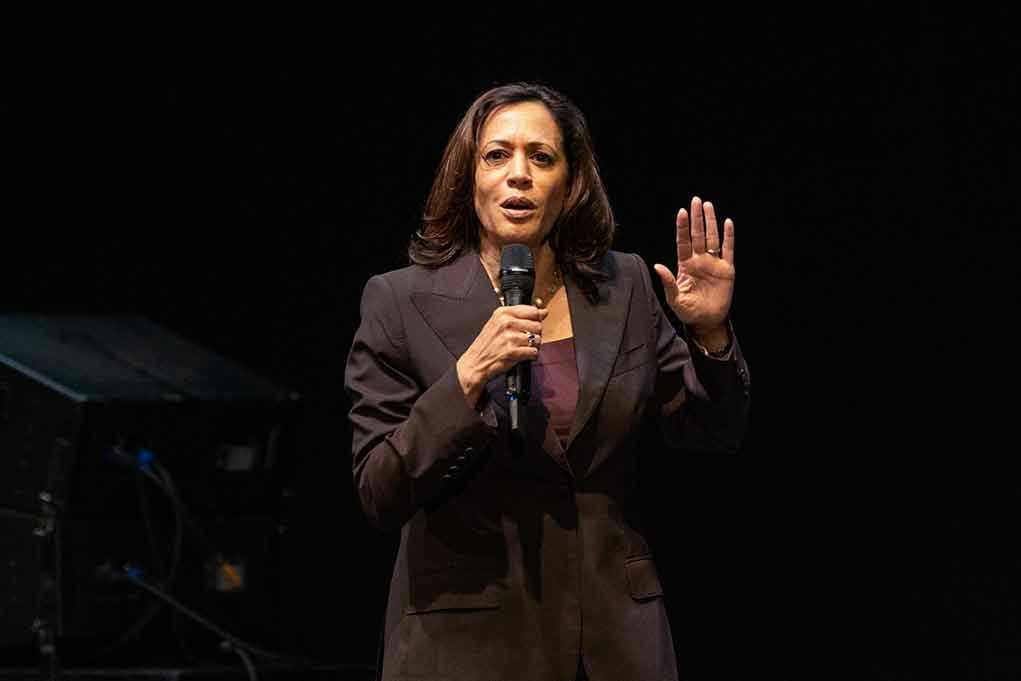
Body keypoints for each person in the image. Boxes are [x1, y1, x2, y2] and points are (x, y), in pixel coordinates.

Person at [344, 82, 750, 681]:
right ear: (469, 176)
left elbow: (710, 433)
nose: (519, 175)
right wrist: (467, 378)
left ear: (571, 181)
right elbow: (380, 491)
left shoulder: (625, 286)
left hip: (615, 643)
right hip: (466, 643)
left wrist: (711, 337)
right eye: (497, 155)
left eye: (541, 157)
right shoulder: (398, 301)